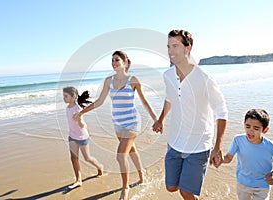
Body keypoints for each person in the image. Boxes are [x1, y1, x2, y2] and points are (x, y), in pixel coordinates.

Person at [152, 29, 228, 199]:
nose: (171, 51)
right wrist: (160, 119)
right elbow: (170, 98)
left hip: (199, 144)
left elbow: (222, 111)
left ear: (188, 48)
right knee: (171, 187)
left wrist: (218, 147)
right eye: (169, 46)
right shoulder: (168, 75)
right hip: (175, 141)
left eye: (175, 46)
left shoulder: (204, 77)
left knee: (186, 191)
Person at [74, 50, 157, 200]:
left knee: (120, 155)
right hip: (118, 124)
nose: (114, 63)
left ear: (125, 62)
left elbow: (144, 102)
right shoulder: (109, 81)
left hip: (132, 123)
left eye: (117, 60)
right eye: (112, 60)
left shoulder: (133, 80)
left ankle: (125, 188)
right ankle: (141, 173)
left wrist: (156, 119)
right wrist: (82, 113)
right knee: (131, 150)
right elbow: (99, 102)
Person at [221, 109, 273, 200]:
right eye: (248, 126)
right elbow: (228, 158)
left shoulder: (270, 146)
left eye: (256, 128)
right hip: (243, 183)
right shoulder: (238, 140)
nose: (250, 131)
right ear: (244, 124)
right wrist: (218, 159)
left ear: (265, 130)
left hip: (262, 185)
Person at [63, 87, 103, 189]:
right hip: (72, 136)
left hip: (82, 137)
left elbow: (83, 126)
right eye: (63, 96)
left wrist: (79, 119)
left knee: (87, 158)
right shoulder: (67, 107)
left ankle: (99, 167)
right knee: (73, 158)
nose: (64, 98)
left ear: (73, 97)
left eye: (66, 96)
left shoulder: (78, 109)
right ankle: (78, 180)